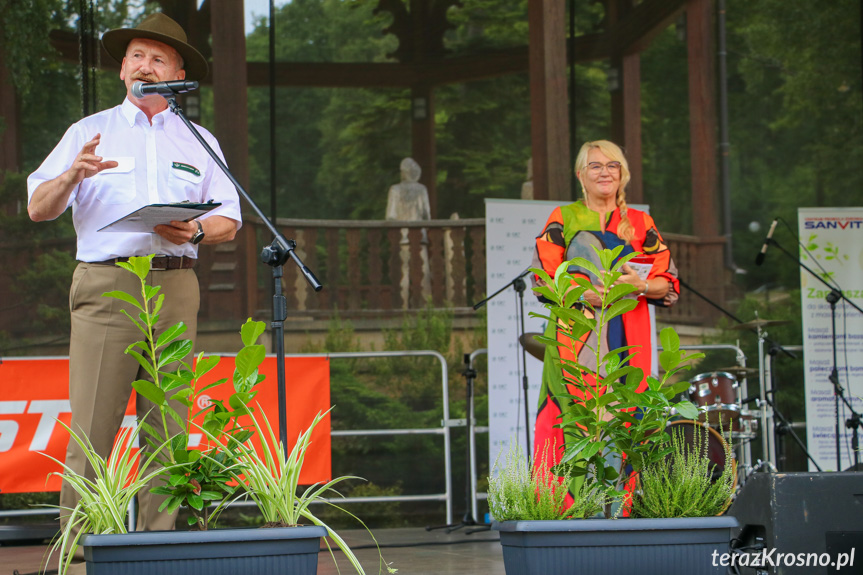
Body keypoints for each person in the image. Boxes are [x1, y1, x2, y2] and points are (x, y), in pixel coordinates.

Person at [26, 12, 242, 535]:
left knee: (168, 428)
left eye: (159, 58)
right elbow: (38, 206)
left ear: (178, 72)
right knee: (94, 425)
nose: (146, 65)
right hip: (108, 284)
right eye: (137, 56)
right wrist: (73, 172)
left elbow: (230, 218)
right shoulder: (88, 130)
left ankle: (158, 548)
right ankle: (79, 550)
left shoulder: (199, 138)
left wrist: (194, 232)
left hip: (176, 283)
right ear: (123, 69)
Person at [530, 140, 679, 499]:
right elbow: (542, 278)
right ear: (581, 175)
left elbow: (668, 283)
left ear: (622, 175)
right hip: (574, 335)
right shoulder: (563, 218)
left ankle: (621, 510)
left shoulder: (642, 224)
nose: (604, 172)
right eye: (595, 166)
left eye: (612, 165)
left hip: (629, 333)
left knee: (628, 413)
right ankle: (564, 513)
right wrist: (583, 294)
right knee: (573, 417)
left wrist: (640, 284)